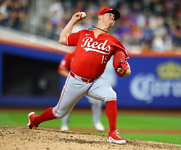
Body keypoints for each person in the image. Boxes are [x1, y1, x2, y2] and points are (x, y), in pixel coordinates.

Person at [28, 8, 131, 144]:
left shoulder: (114, 42)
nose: (113, 18)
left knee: (111, 96)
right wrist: (73, 20)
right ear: (100, 17)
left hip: (95, 81)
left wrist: (125, 71)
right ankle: (35, 120)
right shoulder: (83, 34)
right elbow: (62, 39)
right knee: (59, 112)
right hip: (76, 80)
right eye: (110, 15)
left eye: (114, 18)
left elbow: (124, 66)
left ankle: (112, 133)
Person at [58, 51, 105, 131]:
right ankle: (64, 125)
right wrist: (72, 77)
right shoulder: (71, 55)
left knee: (97, 101)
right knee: (67, 103)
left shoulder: (90, 55)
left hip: (88, 83)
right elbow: (61, 69)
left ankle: (96, 122)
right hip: (74, 84)